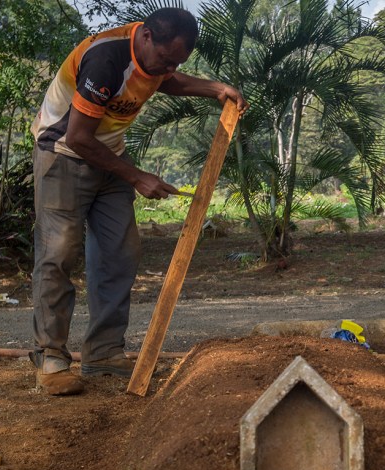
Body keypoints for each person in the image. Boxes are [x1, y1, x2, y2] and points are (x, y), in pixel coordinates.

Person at [29, 7, 248, 395]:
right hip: (63, 153)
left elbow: (168, 80)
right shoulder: (106, 59)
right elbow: (78, 137)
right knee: (58, 252)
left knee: (119, 253)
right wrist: (137, 176)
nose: (169, 67)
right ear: (146, 36)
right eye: (166, 58)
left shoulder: (155, 58)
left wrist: (216, 89)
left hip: (106, 155)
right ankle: (51, 358)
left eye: (177, 61)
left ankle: (103, 354)